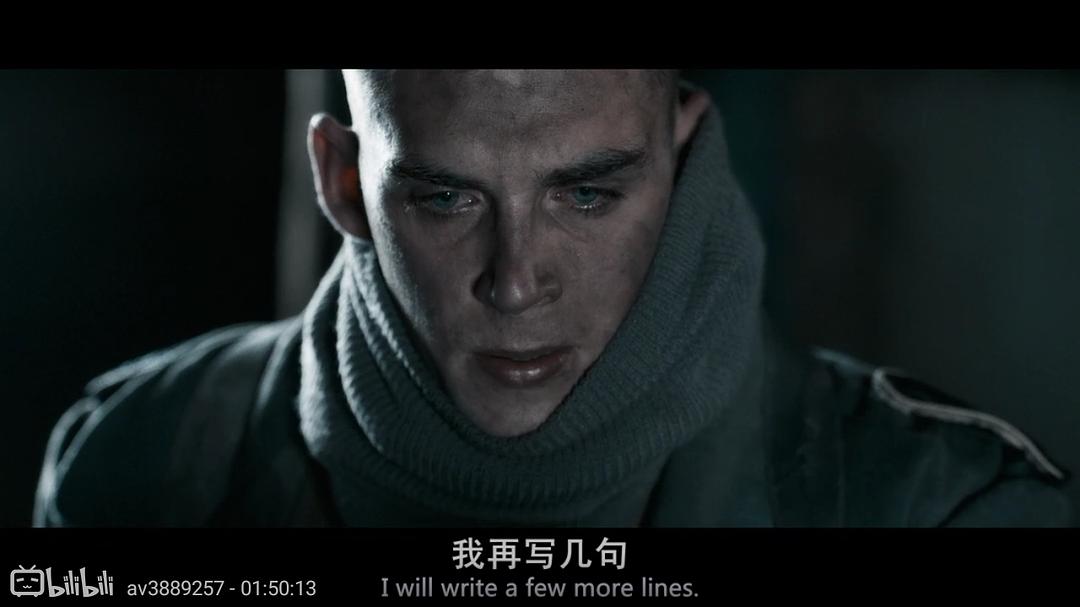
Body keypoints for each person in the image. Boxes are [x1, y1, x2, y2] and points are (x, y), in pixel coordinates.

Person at [34, 70, 1072, 527]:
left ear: (682, 156)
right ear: (344, 183)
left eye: (587, 194)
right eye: (445, 197)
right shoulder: (137, 464)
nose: (517, 279)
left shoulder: (940, 503)